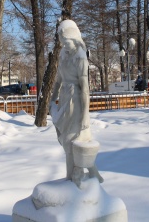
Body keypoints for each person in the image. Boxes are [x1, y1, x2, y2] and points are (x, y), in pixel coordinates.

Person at [50, 19, 103, 184]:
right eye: (62, 42)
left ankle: (72, 179)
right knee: (69, 140)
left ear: (74, 38)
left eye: (66, 42)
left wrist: (86, 115)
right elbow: (58, 80)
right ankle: (91, 175)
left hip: (76, 102)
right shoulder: (63, 55)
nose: (65, 45)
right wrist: (52, 100)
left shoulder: (80, 57)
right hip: (65, 100)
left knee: (72, 141)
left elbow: (85, 88)